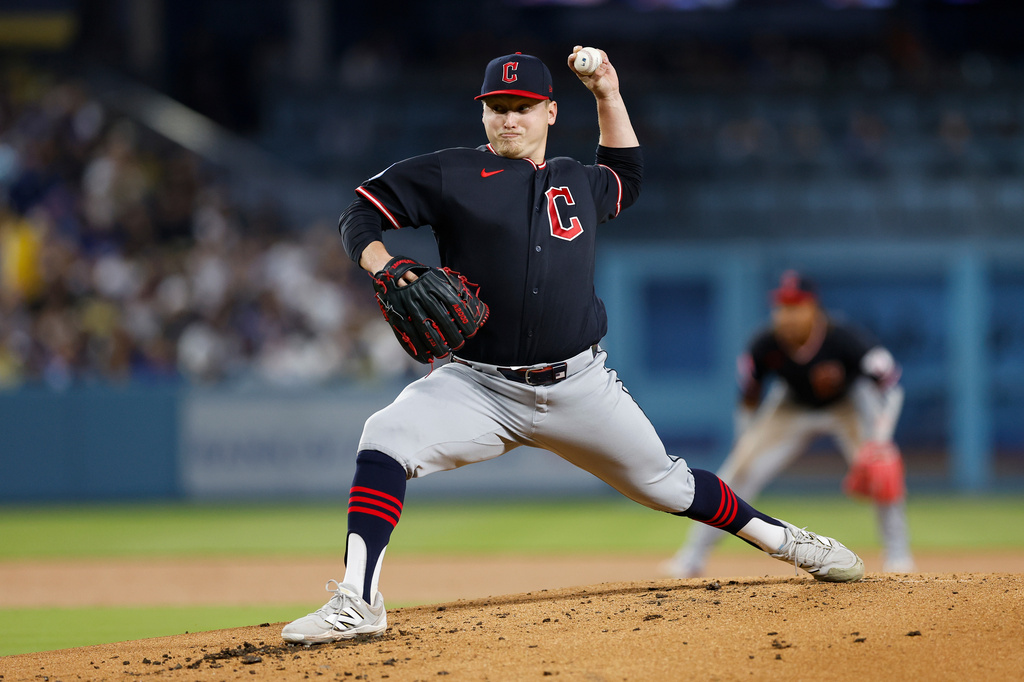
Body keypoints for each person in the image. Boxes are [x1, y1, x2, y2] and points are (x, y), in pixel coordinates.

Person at [281, 47, 865, 645]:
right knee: (384, 435)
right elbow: (360, 213)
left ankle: (790, 542)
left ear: (551, 112)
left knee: (670, 486)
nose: (510, 118)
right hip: (479, 385)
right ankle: (359, 600)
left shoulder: (577, 180)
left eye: (524, 107)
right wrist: (383, 264)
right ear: (482, 113)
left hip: (580, 385)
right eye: (498, 107)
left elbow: (627, 176)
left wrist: (608, 93)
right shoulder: (450, 173)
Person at [664, 271, 914, 579]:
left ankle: (899, 555)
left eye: (796, 306)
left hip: (846, 406)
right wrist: (745, 441)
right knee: (738, 471)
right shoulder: (765, 343)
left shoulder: (844, 338)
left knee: (882, 470)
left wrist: (881, 439)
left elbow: (891, 386)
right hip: (790, 406)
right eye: (782, 306)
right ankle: (692, 555)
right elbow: (749, 397)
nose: (787, 315)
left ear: (814, 308)